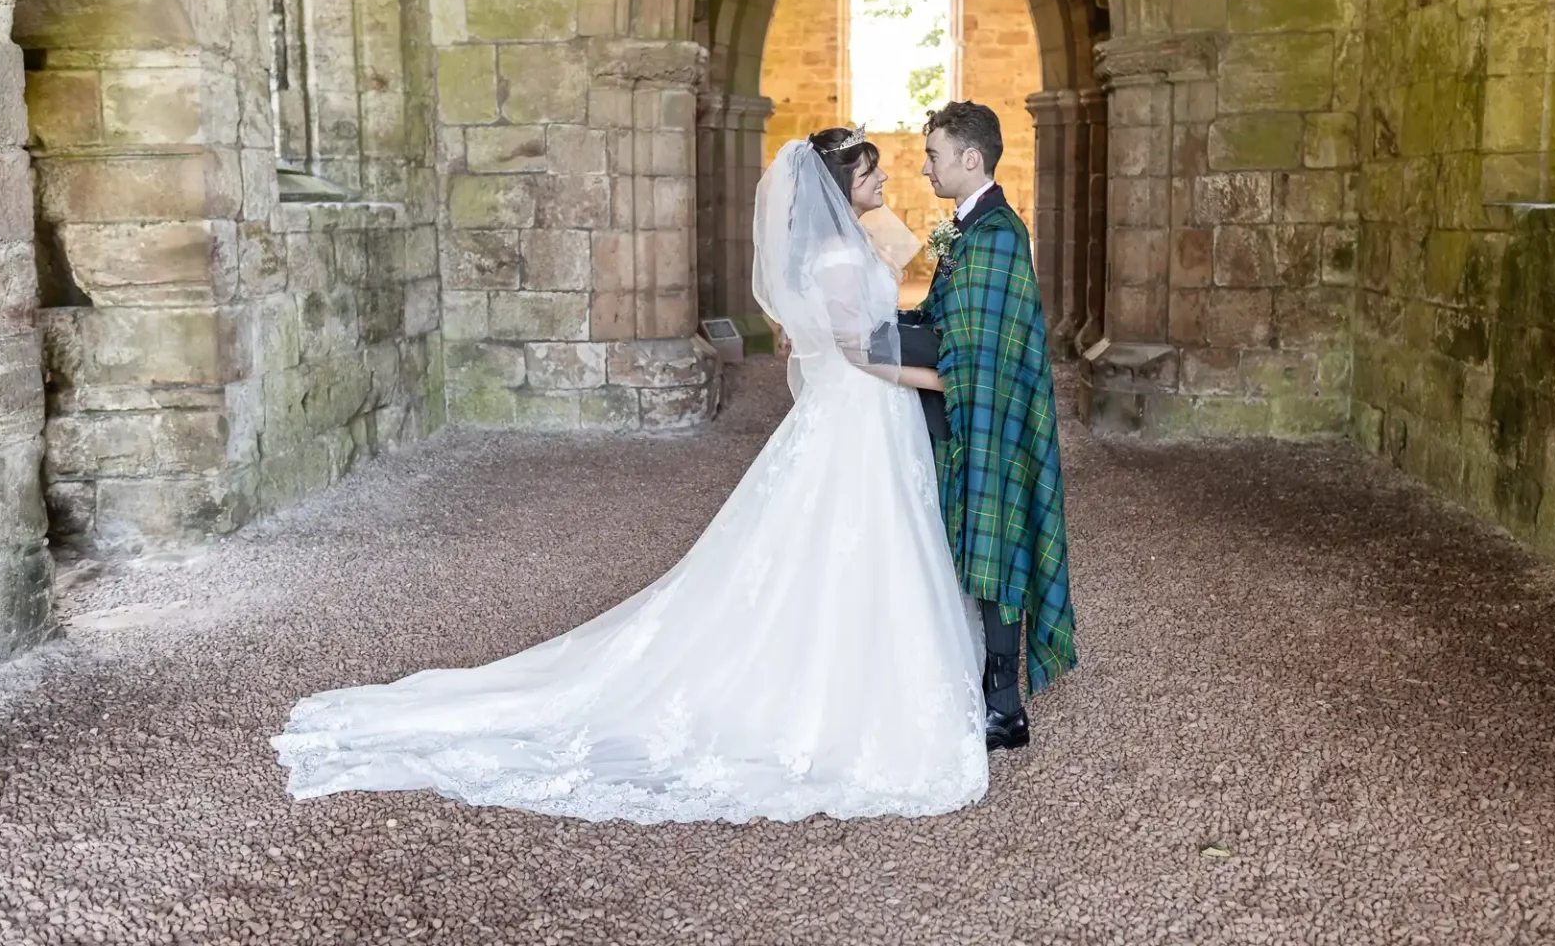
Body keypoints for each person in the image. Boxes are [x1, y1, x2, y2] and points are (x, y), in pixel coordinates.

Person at [271, 128, 988, 823]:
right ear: (843, 188)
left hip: (867, 418)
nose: (884, 179)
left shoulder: (849, 243)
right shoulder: (835, 256)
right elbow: (861, 350)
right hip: (861, 412)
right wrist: (941, 379)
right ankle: (831, 687)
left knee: (862, 543)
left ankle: (862, 674)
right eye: (871, 174)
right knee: (845, 539)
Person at [901, 100, 1075, 751]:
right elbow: (936, 315)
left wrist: (871, 346)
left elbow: (972, 346)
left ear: (971, 159)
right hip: (964, 408)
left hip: (994, 411)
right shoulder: (961, 227)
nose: (925, 168)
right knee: (969, 535)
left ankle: (1005, 709)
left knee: (997, 540)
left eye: (934, 156)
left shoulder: (1000, 234)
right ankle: (972, 685)